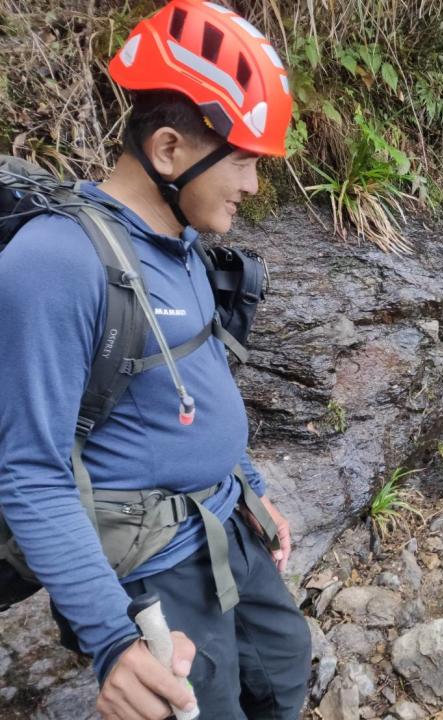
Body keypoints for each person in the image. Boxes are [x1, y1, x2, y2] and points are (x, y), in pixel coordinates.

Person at [0, 2, 310, 718]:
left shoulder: (179, 243)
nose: (254, 188)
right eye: (243, 162)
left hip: (232, 523)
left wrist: (250, 481)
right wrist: (114, 640)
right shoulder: (55, 264)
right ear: (170, 149)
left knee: (285, 671)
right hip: (155, 565)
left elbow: (189, 382)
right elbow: (31, 474)